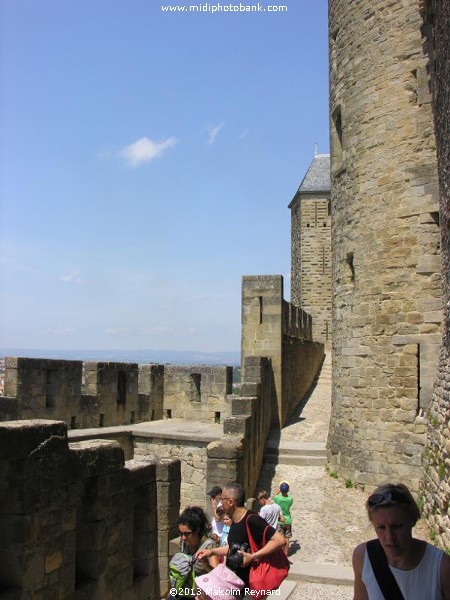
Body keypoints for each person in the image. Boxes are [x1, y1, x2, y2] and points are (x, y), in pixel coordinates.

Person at [352, 482, 450, 600]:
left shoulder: (442, 568)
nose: (389, 537)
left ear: (412, 520)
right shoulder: (362, 558)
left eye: (397, 526)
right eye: (381, 527)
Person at [196, 481, 285, 591]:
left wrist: (253, 556)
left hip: (250, 585)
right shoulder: (235, 519)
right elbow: (233, 547)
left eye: (221, 499)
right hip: (235, 583)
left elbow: (280, 540)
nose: (220, 501)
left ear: (230, 502)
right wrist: (212, 552)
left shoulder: (252, 519)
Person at [177, 506, 219, 577]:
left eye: (187, 534)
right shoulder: (184, 542)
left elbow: (216, 576)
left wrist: (206, 566)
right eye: (181, 533)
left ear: (197, 530)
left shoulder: (209, 546)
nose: (183, 537)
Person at [273, 481, 293, 556]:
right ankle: (286, 553)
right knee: (287, 537)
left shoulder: (277, 498)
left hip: (280, 520)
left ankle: (281, 554)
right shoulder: (290, 499)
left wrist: (279, 490)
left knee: (280, 538)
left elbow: (274, 496)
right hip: (288, 520)